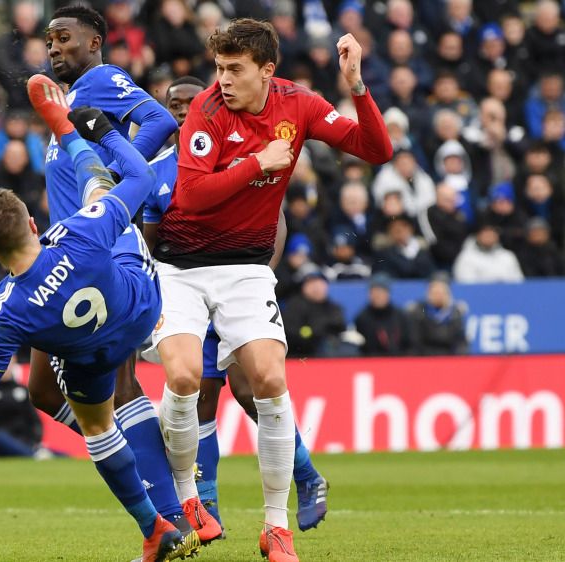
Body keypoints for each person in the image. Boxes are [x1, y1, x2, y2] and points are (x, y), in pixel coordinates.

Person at [0, 105, 189, 562]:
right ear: (32, 224)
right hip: (142, 308)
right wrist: (99, 134)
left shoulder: (2, 312)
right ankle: (72, 133)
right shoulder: (77, 232)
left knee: (95, 426)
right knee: (103, 194)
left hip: (95, 356)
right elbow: (142, 181)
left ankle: (153, 527)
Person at [146, 20, 392, 561]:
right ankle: (188, 498)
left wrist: (356, 85)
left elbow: (376, 150)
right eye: (219, 68)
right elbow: (191, 195)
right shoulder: (206, 113)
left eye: (234, 69)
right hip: (181, 269)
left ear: (267, 70)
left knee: (269, 380)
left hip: (247, 269)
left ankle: (274, 527)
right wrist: (257, 163)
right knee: (186, 376)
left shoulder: (297, 104)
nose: (223, 80)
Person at [31, 5, 215, 548]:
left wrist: (117, 173)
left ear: (94, 43)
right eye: (48, 40)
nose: (54, 47)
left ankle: (168, 511)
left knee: (120, 383)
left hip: (103, 248)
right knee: (42, 388)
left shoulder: (101, 81)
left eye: (64, 38)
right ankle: (144, 453)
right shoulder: (69, 104)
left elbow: (159, 121)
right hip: (66, 250)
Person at [142, 75, 329, 533]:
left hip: (239, 282)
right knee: (200, 392)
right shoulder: (155, 170)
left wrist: (264, 272)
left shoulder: (231, 148)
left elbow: (273, 217)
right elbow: (150, 243)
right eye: (175, 105)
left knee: (252, 389)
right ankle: (207, 507)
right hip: (185, 288)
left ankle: (307, 477)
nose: (185, 111)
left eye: (191, 102)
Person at [283, 265, 347, 358]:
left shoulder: (333, 307)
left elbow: (339, 325)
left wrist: (317, 329)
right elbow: (292, 333)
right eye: (311, 283)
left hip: (329, 354)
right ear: (303, 286)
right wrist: (313, 332)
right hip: (300, 355)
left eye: (320, 283)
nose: (316, 287)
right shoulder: (294, 306)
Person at [406, 273, 468, 356]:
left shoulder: (455, 313)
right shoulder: (419, 311)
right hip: (423, 358)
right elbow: (414, 342)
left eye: (441, 292)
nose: (438, 295)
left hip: (449, 358)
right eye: (434, 292)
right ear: (428, 293)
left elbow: (461, 342)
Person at [353, 273, 411, 356]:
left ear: (388, 294)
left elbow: (409, 342)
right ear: (369, 295)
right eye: (375, 292)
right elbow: (364, 348)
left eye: (381, 292)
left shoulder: (401, 315)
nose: (378, 296)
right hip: (373, 361)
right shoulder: (362, 318)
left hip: (401, 360)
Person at [452, 222, 525, 283]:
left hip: (507, 295)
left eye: (492, 234)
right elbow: (465, 282)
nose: (489, 237)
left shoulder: (508, 256)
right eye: (486, 234)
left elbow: (518, 280)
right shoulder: (467, 256)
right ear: (478, 236)